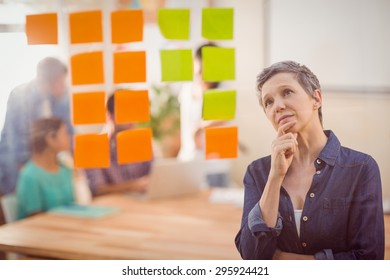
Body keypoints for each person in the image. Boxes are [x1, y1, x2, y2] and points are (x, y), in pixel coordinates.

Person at [235, 61, 384, 260]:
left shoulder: (361, 168)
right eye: (268, 102)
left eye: (287, 92)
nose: (277, 106)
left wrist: (282, 259)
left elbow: (369, 260)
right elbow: (252, 257)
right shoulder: (258, 172)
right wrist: (275, 177)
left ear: (316, 98)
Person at [0, 57, 73, 197]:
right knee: (22, 201)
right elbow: (16, 140)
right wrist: (26, 169)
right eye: (61, 82)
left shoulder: (59, 97)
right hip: (15, 164)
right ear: (49, 81)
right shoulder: (20, 96)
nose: (64, 86)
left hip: (41, 163)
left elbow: (67, 129)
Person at [178, 42, 231, 187]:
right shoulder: (187, 89)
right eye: (199, 72)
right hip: (189, 158)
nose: (203, 78)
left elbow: (224, 118)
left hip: (216, 164)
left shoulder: (224, 90)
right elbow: (185, 124)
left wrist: (200, 128)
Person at [84, 92, 152, 196]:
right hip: (112, 205)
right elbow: (98, 189)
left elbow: (155, 174)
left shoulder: (141, 142)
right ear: (110, 116)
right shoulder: (93, 147)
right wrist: (132, 186)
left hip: (141, 202)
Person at [16, 117, 74, 219]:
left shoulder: (65, 169)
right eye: (65, 133)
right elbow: (34, 217)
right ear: (50, 139)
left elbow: (72, 207)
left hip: (65, 228)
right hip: (40, 231)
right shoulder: (30, 176)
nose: (69, 137)